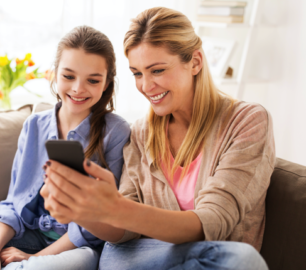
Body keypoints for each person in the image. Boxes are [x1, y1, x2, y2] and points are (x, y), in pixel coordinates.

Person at [41, 7, 275, 270]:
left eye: (158, 70)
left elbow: (214, 221)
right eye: (137, 73)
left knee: (242, 259)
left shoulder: (246, 121)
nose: (146, 86)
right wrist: (85, 212)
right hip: (148, 259)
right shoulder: (141, 134)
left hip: (211, 260)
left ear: (195, 62)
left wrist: (116, 208)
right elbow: (123, 234)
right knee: (113, 256)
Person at [0, 25, 130, 270]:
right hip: (27, 233)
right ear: (54, 74)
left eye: (93, 80)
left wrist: (35, 258)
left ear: (107, 83)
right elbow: (14, 203)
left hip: (76, 250)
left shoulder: (116, 132)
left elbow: (95, 227)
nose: (77, 88)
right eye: (68, 76)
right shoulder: (34, 125)